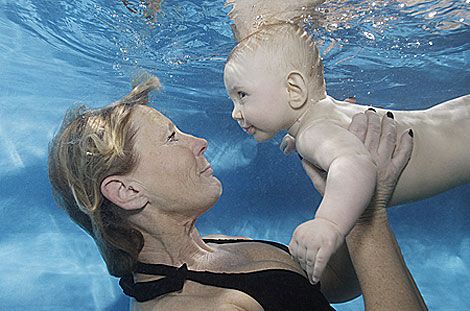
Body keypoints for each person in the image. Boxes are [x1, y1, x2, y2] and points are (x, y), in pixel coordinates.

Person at [48, 75, 426, 310]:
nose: (200, 142)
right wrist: (368, 217)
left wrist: (346, 197)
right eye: (171, 137)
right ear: (126, 191)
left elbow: (328, 288)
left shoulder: (212, 247)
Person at [223, 0, 470, 284]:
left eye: (242, 95)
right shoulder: (323, 116)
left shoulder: (313, 134)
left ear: (294, 89)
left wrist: (328, 223)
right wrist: (295, 136)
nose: (234, 112)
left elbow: (355, 164)